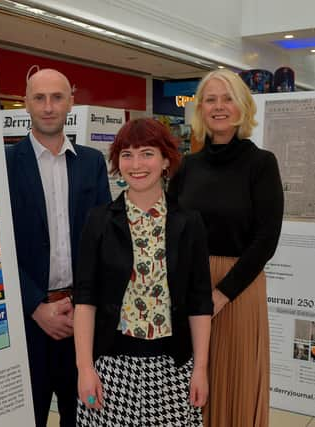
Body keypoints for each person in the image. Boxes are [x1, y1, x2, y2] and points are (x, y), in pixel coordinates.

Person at [73, 118, 212, 426]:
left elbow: (200, 302)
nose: (136, 164)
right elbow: (85, 300)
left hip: (173, 368)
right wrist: (85, 368)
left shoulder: (189, 223)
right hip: (110, 367)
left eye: (147, 153)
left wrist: (200, 368)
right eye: (127, 154)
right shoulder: (98, 221)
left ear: (165, 160)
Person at [168, 69, 284, 426]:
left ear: (243, 107)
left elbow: (265, 241)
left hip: (238, 289)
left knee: (234, 377)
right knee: (189, 380)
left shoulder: (261, 164)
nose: (219, 107)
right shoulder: (187, 166)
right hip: (190, 284)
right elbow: (171, 226)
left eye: (228, 98)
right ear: (200, 109)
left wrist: (221, 293)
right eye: (211, 99)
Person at [5, 68, 111, 427]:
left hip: (80, 320)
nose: (48, 107)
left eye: (57, 97)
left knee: (81, 417)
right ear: (26, 104)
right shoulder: (3, 164)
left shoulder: (92, 163)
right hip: (26, 322)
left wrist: (80, 306)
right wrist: (35, 306)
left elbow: (103, 242)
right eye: (39, 98)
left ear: (71, 102)